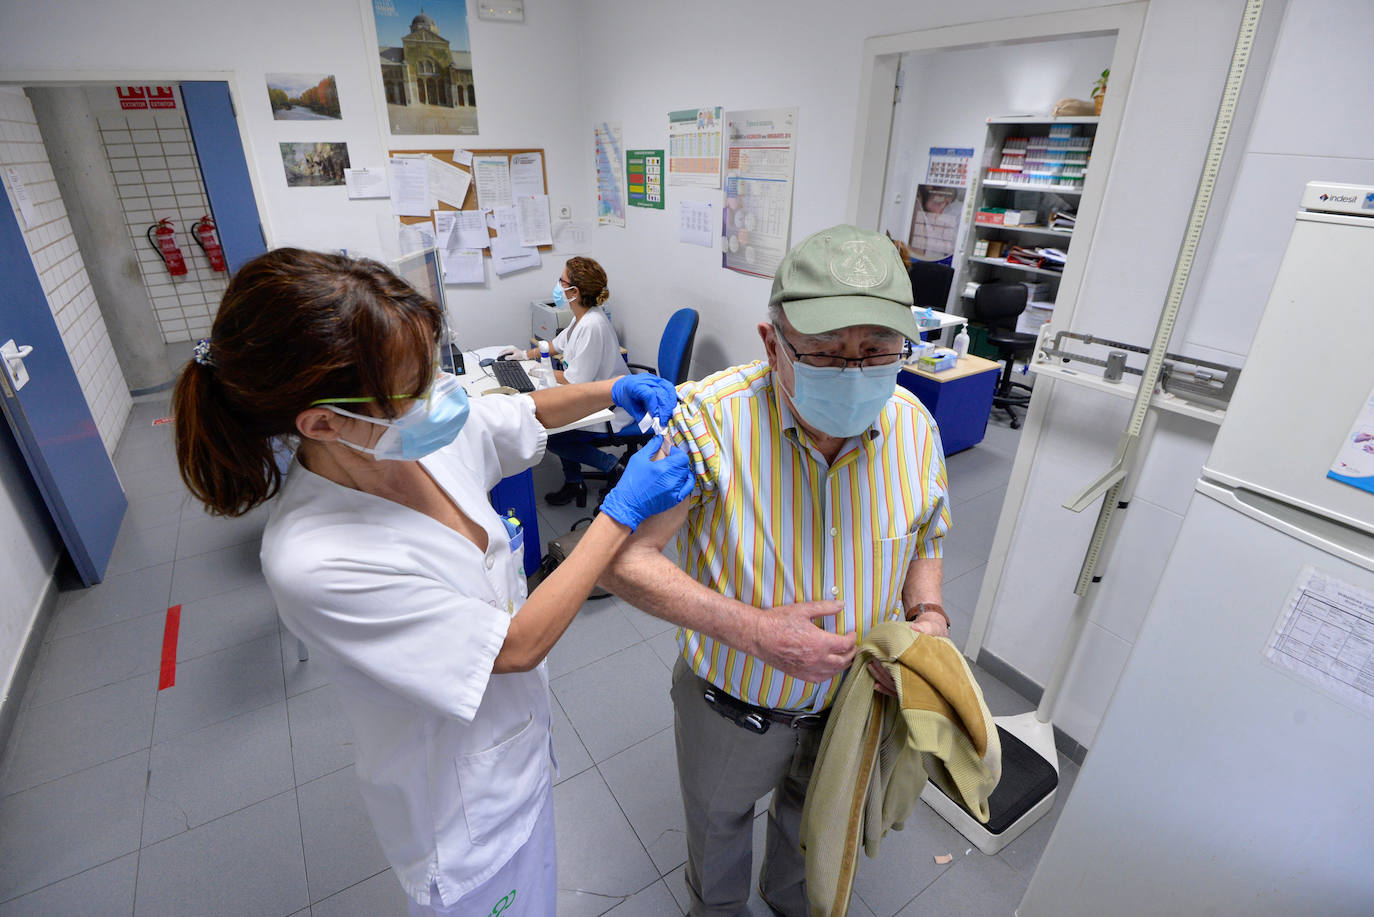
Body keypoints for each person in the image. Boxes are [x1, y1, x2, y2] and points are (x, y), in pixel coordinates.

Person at [173, 249, 693, 917]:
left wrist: (610, 392)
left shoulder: (410, 436)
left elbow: (524, 414)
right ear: (322, 422)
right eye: (411, 385)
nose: (437, 396)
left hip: (521, 756)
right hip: (465, 821)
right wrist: (621, 511)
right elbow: (513, 646)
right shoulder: (313, 558)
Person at [602, 225, 953, 916]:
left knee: (811, 832)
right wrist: (754, 630)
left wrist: (929, 615)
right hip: (734, 708)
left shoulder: (913, 424)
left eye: (876, 351)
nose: (856, 375)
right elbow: (621, 561)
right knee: (719, 834)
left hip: (852, 704)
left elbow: (926, 531)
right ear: (772, 343)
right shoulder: (709, 422)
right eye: (827, 353)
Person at [499, 257, 627, 507]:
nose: (557, 286)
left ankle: (614, 467)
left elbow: (574, 381)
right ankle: (574, 483)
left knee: (552, 435)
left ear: (574, 291)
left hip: (607, 406)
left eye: (561, 281)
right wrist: (524, 355)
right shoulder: (581, 317)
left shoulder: (592, 325)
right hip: (589, 395)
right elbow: (555, 346)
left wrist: (536, 371)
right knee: (555, 422)